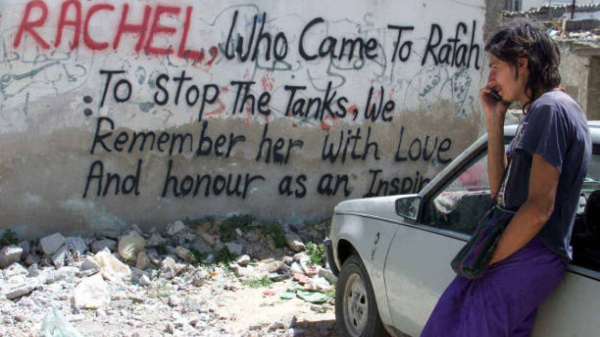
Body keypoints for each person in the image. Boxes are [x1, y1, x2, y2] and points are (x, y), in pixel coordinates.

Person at [419, 23, 591, 337]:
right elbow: (502, 193)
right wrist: (495, 118)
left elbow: (539, 207)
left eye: (496, 67)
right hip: (528, 250)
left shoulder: (549, 110)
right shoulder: (545, 110)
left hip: (529, 249)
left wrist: (489, 259)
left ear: (521, 63)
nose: (490, 79)